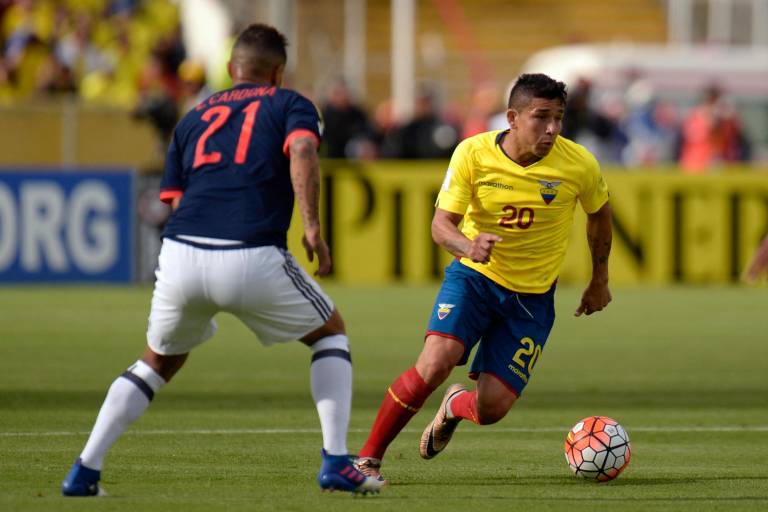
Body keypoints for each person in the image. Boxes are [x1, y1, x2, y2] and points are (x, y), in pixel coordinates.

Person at [61, 23, 383, 496]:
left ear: (232, 69)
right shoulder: (291, 103)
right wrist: (311, 224)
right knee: (330, 334)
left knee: (156, 362)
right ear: (277, 71)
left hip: (181, 253)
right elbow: (302, 148)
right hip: (251, 250)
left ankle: (84, 472)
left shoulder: (193, 117)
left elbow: (172, 200)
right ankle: (336, 462)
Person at [354, 73, 613, 482]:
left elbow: (599, 213)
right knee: (435, 362)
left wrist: (600, 279)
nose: (552, 129)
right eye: (541, 117)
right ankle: (367, 459)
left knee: (491, 409)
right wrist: (467, 247)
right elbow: (441, 225)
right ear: (512, 117)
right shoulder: (472, 153)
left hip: (531, 299)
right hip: (474, 279)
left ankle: (455, 405)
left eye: (558, 118)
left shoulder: (578, 163)